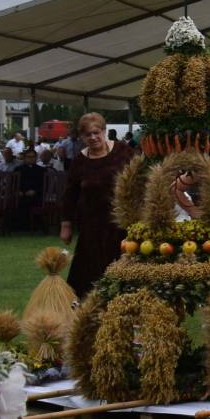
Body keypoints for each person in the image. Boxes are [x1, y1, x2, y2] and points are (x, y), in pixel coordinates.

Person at [59, 112, 136, 297]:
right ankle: (84, 310)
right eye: (88, 135)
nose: (93, 138)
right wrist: (66, 224)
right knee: (87, 273)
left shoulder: (124, 152)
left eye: (96, 132)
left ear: (104, 131)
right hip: (92, 224)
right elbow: (70, 194)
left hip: (122, 222)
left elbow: (140, 180)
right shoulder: (79, 161)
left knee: (125, 267)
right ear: (82, 137)